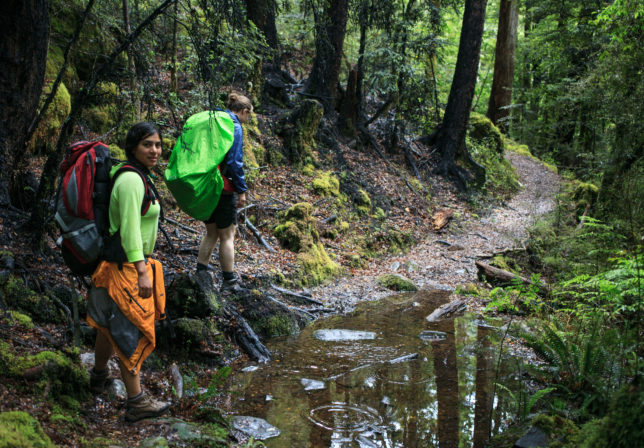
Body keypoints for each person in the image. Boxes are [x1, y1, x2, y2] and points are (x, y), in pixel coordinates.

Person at [86, 122, 170, 422]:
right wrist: (142, 269)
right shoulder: (132, 180)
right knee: (128, 332)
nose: (155, 150)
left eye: (158, 145)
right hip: (125, 268)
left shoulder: (135, 175)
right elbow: (131, 230)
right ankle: (136, 401)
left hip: (112, 267)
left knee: (107, 326)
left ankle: (98, 377)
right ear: (133, 146)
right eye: (148, 144)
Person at [196, 92, 252, 292]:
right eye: (248, 117)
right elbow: (234, 162)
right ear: (244, 111)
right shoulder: (234, 126)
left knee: (211, 231)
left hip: (207, 183)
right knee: (228, 234)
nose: (246, 121)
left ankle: (200, 274)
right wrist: (242, 190)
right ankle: (229, 281)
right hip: (225, 187)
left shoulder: (214, 120)